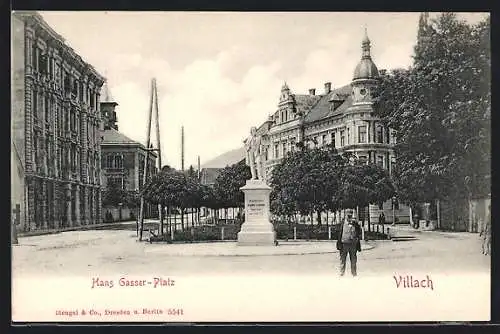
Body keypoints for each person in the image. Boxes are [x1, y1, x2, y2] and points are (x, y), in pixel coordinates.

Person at [336, 210, 362, 277]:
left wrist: (357, 239)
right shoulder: (342, 223)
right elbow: (339, 233)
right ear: (345, 215)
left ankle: (354, 274)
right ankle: (341, 274)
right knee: (342, 260)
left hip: (353, 245)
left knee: (353, 260)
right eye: (348, 216)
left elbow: (359, 233)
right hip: (344, 244)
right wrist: (339, 244)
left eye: (351, 215)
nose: (349, 217)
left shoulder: (355, 224)